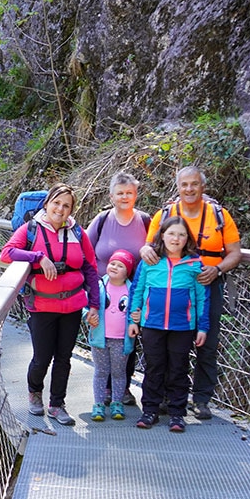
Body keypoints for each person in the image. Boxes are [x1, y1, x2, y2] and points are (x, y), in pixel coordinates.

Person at [139, 166, 241, 420]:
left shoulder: (219, 215)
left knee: (207, 342)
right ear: (178, 187)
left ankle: (202, 399)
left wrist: (217, 269)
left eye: (194, 184)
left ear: (203, 187)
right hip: (169, 287)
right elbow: (149, 247)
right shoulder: (165, 215)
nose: (189, 189)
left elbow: (235, 253)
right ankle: (163, 398)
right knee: (164, 344)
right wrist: (143, 252)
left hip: (208, 285)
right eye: (184, 185)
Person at [2, 183, 101, 426]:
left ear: (71, 210)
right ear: (47, 204)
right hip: (42, 306)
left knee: (64, 358)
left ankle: (57, 404)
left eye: (66, 205)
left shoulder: (78, 233)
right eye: (56, 203)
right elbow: (7, 253)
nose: (60, 208)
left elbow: (90, 268)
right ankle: (35, 393)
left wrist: (95, 304)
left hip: (73, 306)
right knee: (42, 357)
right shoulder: (31, 229)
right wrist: (37, 257)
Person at [129, 217, 209, 433]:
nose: (176, 238)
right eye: (172, 233)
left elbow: (202, 297)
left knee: (178, 369)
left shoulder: (194, 264)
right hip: (152, 324)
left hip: (182, 327)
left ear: (187, 239)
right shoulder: (150, 262)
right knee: (154, 368)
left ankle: (177, 413)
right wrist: (132, 320)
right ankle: (150, 410)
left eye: (181, 234)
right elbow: (137, 290)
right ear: (162, 235)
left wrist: (203, 327)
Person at [86, 171, 151, 406]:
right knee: (103, 336)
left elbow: (158, 251)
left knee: (128, 339)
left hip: (134, 293)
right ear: (112, 195)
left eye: (129, 193)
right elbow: (85, 251)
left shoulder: (144, 221)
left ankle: (122, 388)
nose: (125, 197)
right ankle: (104, 388)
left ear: (135, 194)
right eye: (120, 193)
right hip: (103, 293)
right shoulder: (102, 220)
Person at [87, 249, 136, 422]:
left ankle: (117, 402)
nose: (114, 267)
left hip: (121, 340)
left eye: (120, 265)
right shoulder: (98, 286)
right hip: (100, 338)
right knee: (101, 371)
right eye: (112, 263)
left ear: (127, 271)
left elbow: (136, 311)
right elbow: (87, 306)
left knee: (118, 372)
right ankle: (98, 404)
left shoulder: (132, 290)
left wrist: (135, 320)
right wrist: (88, 316)